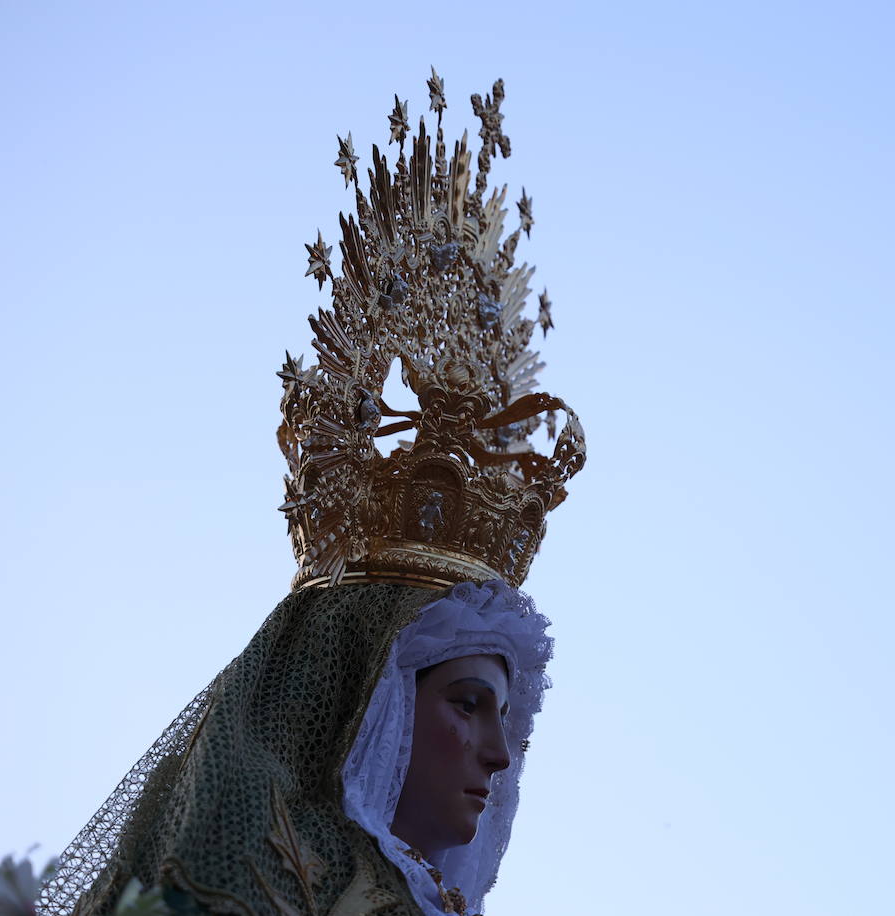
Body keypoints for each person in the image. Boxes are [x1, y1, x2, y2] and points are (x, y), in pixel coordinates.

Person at [36, 70, 585, 916]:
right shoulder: (244, 870)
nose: (498, 754)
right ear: (366, 699)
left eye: (502, 718)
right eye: (468, 705)